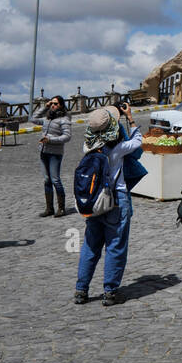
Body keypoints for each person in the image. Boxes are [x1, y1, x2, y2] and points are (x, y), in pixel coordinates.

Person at [73, 104, 142, 306]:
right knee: (115, 246)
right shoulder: (118, 149)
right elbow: (138, 141)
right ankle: (110, 291)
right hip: (115, 200)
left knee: (90, 245)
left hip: (94, 202)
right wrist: (130, 119)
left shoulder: (87, 146)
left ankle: (81, 290)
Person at [31, 95, 72, 217]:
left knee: (55, 179)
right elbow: (32, 119)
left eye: (55, 104)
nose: (53, 105)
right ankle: (49, 208)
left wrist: (50, 139)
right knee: (46, 180)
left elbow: (67, 137)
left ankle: (62, 208)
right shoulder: (47, 118)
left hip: (55, 153)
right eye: (52, 103)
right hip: (44, 152)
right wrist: (45, 107)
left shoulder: (64, 119)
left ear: (61, 105)